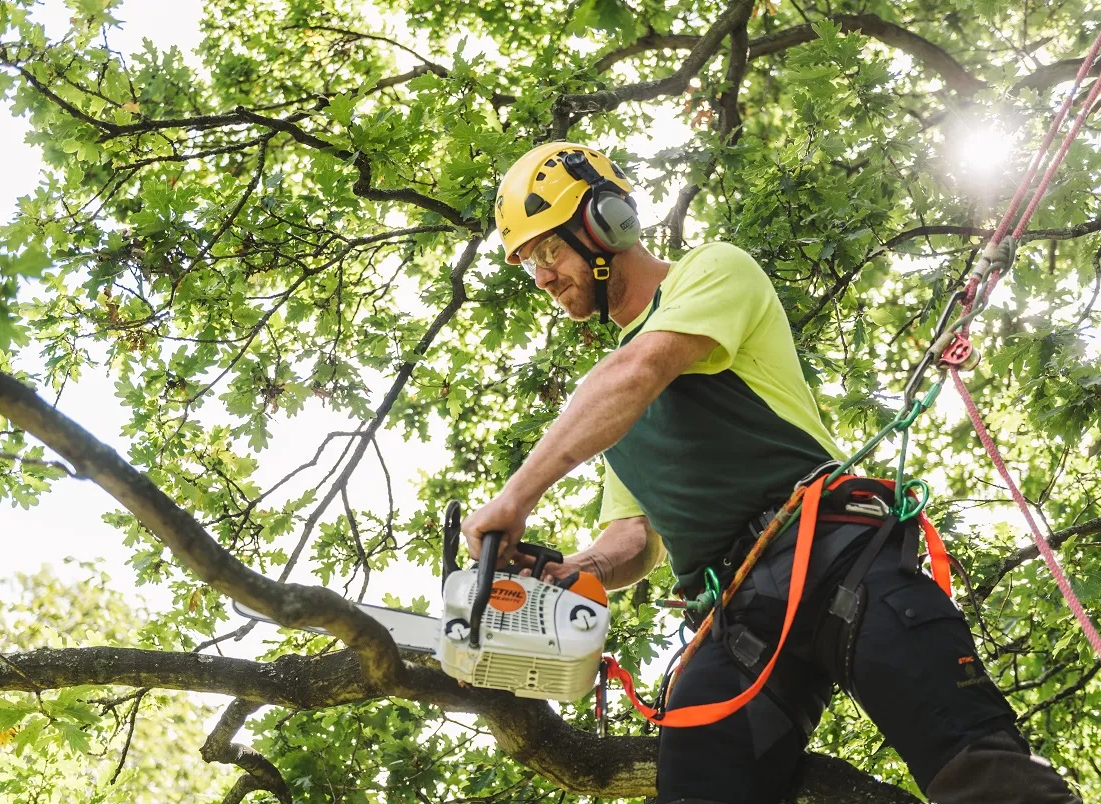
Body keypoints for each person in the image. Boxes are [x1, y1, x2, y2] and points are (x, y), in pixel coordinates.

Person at [462, 141, 1080, 804]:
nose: (544, 277)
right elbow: (632, 543)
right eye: (529, 264)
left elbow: (640, 370)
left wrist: (515, 497)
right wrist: (568, 573)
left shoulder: (710, 273)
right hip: (738, 622)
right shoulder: (612, 418)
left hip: (836, 559)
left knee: (980, 772)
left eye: (548, 250)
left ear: (605, 221)